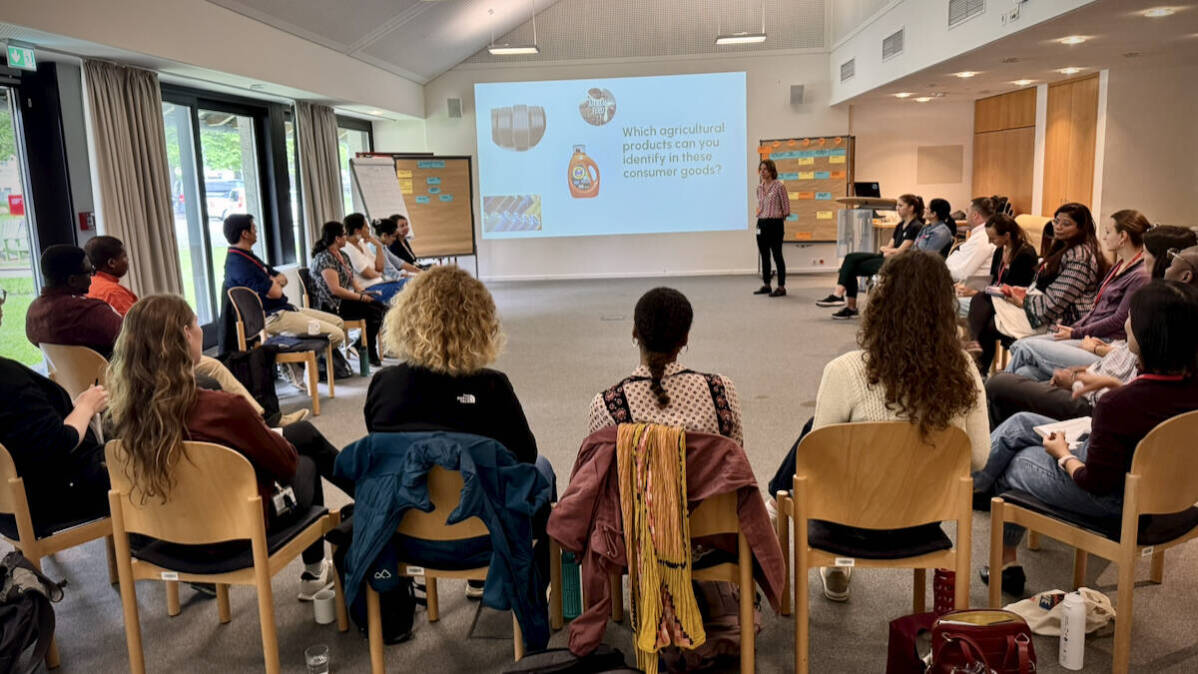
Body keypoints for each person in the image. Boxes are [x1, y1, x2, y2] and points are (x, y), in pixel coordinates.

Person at [106, 294, 354, 600]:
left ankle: (367, 496)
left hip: (167, 538)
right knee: (305, 458)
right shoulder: (222, 408)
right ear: (186, 335)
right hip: (232, 534)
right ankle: (318, 570)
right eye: (196, 322)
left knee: (299, 432)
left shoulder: (119, 421)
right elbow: (287, 465)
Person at [777, 251, 989, 601]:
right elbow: (978, 457)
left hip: (848, 523)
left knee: (815, 437)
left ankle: (833, 563)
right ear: (945, 307)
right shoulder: (964, 370)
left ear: (880, 302)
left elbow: (821, 464)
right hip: (924, 520)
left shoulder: (844, 370)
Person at [975, 280, 1198, 596]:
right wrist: (1115, 384)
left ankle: (994, 542)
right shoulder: (1184, 389)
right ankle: (974, 486)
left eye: (1131, 318)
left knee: (1015, 461)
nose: (1126, 324)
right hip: (1168, 494)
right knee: (1022, 423)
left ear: (1149, 333)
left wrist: (1063, 454)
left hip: (1114, 501)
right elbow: (1153, 415)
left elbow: (1094, 482)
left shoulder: (1117, 406)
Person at [364, 265, 552, 598]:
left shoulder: (384, 385)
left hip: (408, 536)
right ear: (481, 323)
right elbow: (525, 458)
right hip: (487, 536)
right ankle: (513, 584)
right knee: (543, 471)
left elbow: (386, 458)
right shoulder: (492, 387)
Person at [28, 244, 305, 425]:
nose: (92, 277)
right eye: (88, 272)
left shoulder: (34, 313)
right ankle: (263, 421)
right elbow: (137, 339)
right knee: (214, 367)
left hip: (79, 386)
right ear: (72, 280)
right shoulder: (90, 310)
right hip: (130, 375)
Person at [984, 226, 1198, 429]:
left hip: (1099, 376)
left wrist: (1084, 359)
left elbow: (1122, 338)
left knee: (1019, 353)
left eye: (1147, 253)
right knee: (1024, 372)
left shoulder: (1159, 304)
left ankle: (983, 426)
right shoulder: (1125, 272)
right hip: (1099, 359)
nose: (1058, 228)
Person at [0, 289, 110, 531]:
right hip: (51, 500)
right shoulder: (7, 379)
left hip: (7, 509)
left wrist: (75, 407)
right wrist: (86, 406)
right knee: (137, 467)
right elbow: (61, 442)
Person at [1003, 209, 1151, 381]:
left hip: (1106, 341)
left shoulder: (1140, 275)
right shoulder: (1120, 265)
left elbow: (1118, 320)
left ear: (1123, 236)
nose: (1104, 238)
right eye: (1056, 222)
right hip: (1088, 331)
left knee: (1022, 346)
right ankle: (1001, 395)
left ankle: (991, 396)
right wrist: (1076, 329)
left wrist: (1076, 332)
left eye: (1109, 232)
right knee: (1025, 372)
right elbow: (1096, 309)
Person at [588, 287, 744, 447]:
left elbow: (599, 467)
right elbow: (735, 459)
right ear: (685, 339)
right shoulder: (721, 391)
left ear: (635, 332)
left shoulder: (605, 407)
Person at [969, 203, 1104, 372]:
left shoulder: (1081, 256)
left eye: (1066, 224)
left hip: (1063, 320)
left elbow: (1056, 301)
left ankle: (977, 365)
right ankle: (977, 367)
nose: (1058, 227)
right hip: (1041, 307)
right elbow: (1041, 285)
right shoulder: (1063, 248)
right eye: (1056, 222)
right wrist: (1022, 293)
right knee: (982, 302)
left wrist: (1023, 300)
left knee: (984, 309)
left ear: (1081, 227)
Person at [222, 214, 346, 351]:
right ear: (245, 234)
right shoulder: (239, 264)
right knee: (336, 335)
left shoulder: (248, 256)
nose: (256, 230)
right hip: (273, 318)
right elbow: (275, 292)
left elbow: (283, 278)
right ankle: (307, 362)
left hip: (285, 309)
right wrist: (274, 282)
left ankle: (310, 362)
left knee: (338, 322)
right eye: (253, 227)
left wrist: (273, 281)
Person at [816, 193, 926, 320]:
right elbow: (889, 246)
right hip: (887, 256)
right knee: (850, 258)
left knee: (848, 269)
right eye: (897, 205)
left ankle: (846, 304)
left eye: (900, 205)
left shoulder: (916, 226)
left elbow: (901, 251)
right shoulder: (900, 226)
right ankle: (839, 295)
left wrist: (889, 250)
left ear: (911, 208)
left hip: (898, 262)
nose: (897, 208)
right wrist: (888, 250)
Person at [309, 221, 387, 367]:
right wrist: (361, 298)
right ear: (337, 238)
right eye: (344, 234)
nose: (346, 237)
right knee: (374, 310)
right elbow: (335, 290)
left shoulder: (342, 255)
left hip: (342, 301)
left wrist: (363, 292)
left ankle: (360, 345)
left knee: (378, 306)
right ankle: (366, 348)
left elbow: (352, 280)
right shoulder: (324, 258)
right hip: (330, 305)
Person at [956, 213, 1038, 320]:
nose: (990, 242)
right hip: (994, 297)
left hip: (1009, 303)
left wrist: (977, 292)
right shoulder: (1000, 250)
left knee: (955, 305)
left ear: (1007, 235)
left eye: (993, 238)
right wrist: (970, 286)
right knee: (954, 300)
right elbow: (994, 279)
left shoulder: (1025, 255)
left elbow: (1013, 291)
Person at [341, 213, 406, 304]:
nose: (369, 230)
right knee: (409, 284)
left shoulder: (361, 244)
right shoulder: (347, 248)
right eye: (366, 227)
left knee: (413, 283)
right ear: (357, 231)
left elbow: (379, 268)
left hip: (380, 284)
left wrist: (378, 246)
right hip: (369, 289)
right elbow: (368, 274)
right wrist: (379, 274)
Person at [752, 159, 790, 298]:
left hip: (775, 224)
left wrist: (777, 219)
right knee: (764, 255)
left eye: (765, 169)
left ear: (771, 171)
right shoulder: (759, 188)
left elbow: (786, 208)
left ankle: (781, 287)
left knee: (777, 255)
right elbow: (761, 206)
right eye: (760, 169)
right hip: (761, 223)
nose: (762, 172)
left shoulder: (779, 186)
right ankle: (767, 284)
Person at [945, 197, 999, 282]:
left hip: (971, 290)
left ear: (975, 215)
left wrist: (942, 269)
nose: (966, 216)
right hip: (965, 285)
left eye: (967, 212)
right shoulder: (979, 235)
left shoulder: (983, 238)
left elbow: (962, 274)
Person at [84, 235, 136, 316]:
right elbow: (136, 325)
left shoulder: (87, 286)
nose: (128, 260)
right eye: (124, 256)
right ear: (111, 263)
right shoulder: (113, 293)